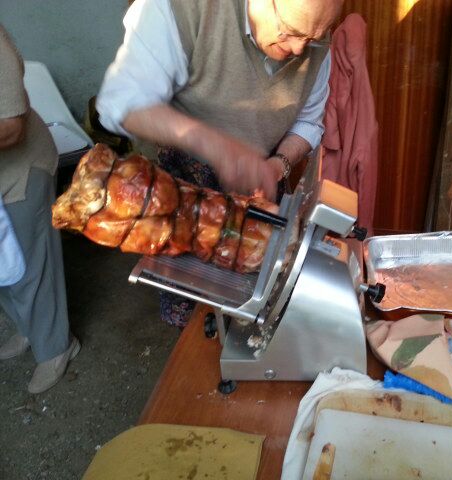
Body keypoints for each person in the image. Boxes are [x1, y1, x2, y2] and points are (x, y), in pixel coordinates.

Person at [97, 0, 344, 327]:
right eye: (290, 31)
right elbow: (120, 102)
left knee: (262, 309)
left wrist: (277, 165)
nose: (300, 49)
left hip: (261, 188)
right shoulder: (181, 8)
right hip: (182, 195)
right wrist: (219, 148)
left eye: (312, 37)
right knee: (197, 322)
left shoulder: (315, 42)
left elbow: (309, 123)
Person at [0, 25, 80, 394]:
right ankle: (29, 327)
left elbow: (11, 127)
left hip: (20, 171)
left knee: (31, 267)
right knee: (4, 268)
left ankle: (56, 347)